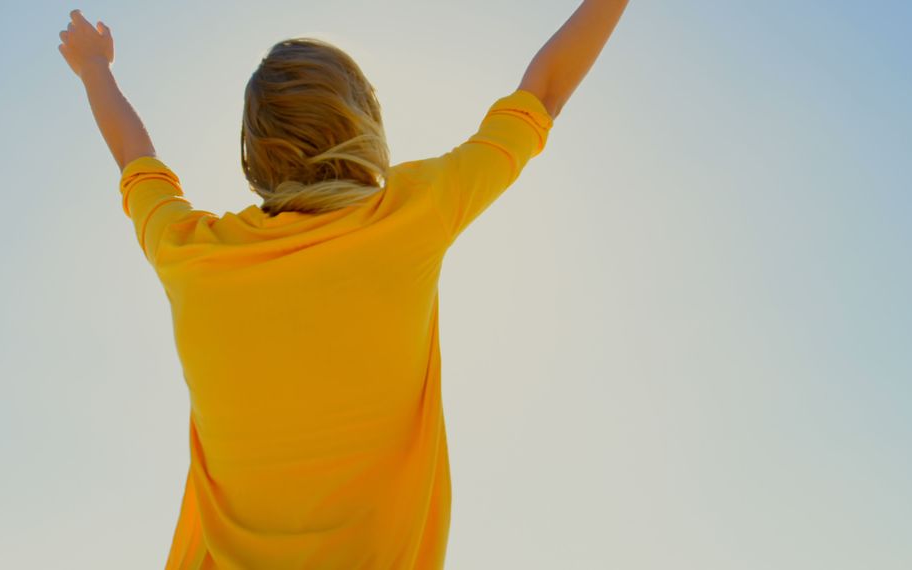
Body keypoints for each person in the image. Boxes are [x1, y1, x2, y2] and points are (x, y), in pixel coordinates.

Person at [57, 2, 629, 567]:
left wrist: (95, 68)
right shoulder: (413, 213)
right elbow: (543, 94)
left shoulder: (190, 252)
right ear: (363, 119)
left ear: (253, 151)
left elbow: (135, 156)